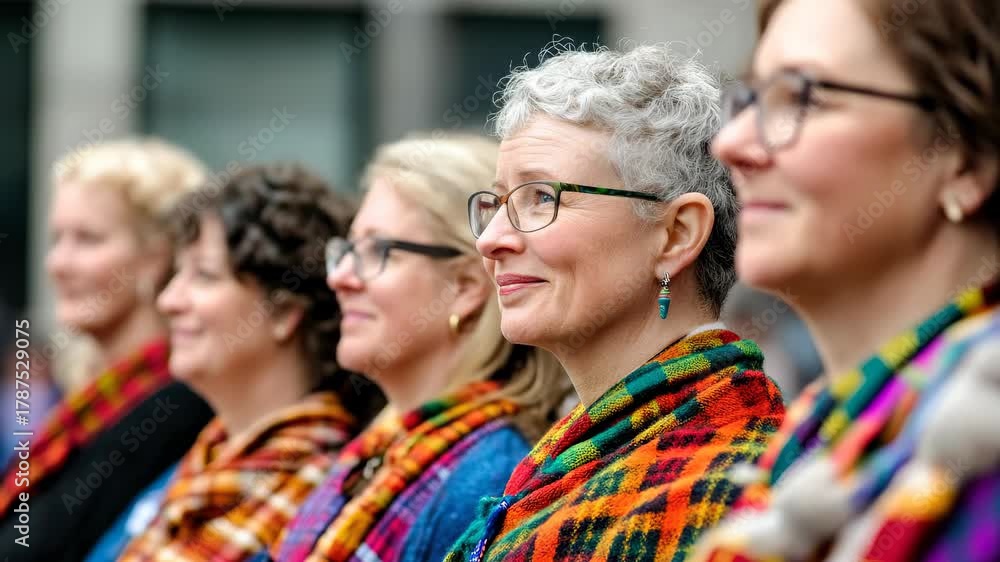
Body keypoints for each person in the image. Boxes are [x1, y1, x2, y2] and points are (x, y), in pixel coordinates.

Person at [445, 44, 785, 562]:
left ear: (676, 235)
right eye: (497, 202)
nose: (490, 239)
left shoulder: (723, 487)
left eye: (541, 197)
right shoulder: (571, 459)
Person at [692, 0, 1000, 560]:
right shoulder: (810, 444)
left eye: (803, 97)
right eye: (752, 97)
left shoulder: (982, 457)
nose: (729, 143)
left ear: (967, 158)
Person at [256, 134, 568, 562]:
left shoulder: (488, 477)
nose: (339, 276)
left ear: (465, 287)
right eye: (347, 249)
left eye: (377, 251)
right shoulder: (376, 449)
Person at [118, 163, 383, 561]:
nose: (169, 300)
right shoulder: (196, 468)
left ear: (284, 313)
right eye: (176, 274)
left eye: (204, 276)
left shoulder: (325, 497)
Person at [0, 139, 215, 562]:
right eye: (57, 238)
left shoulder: (179, 405)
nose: (58, 263)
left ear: (156, 257)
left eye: (88, 239)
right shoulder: (89, 400)